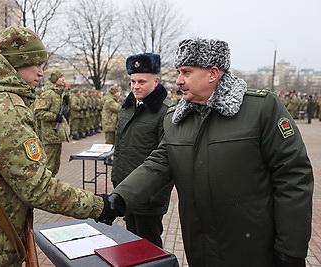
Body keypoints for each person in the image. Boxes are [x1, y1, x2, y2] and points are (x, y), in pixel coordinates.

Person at [101, 38, 314, 267]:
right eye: (179, 72)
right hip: (199, 245)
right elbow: (158, 164)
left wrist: (290, 248)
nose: (179, 80)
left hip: (251, 247)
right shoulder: (176, 119)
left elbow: (293, 177)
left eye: (187, 72)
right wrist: (120, 198)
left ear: (213, 73)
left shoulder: (261, 109)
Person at [0, 26, 110, 266]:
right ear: (16, 63)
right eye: (36, 63)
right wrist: (99, 206)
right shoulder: (6, 108)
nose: (41, 72)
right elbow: (37, 188)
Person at [111, 52, 173, 248]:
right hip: (126, 189)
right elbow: (121, 147)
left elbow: (167, 158)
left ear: (156, 81)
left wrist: (155, 198)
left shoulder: (165, 112)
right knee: (131, 242)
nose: (136, 87)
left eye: (141, 82)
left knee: (149, 247)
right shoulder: (127, 107)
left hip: (148, 196)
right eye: (132, 81)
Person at [33, 70, 69, 176]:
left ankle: (51, 184)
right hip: (49, 135)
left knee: (55, 165)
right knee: (48, 164)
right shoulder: (48, 94)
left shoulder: (59, 93)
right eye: (61, 77)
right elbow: (38, 112)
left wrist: (66, 104)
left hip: (57, 134)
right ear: (55, 80)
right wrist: (54, 117)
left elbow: (63, 112)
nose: (63, 79)